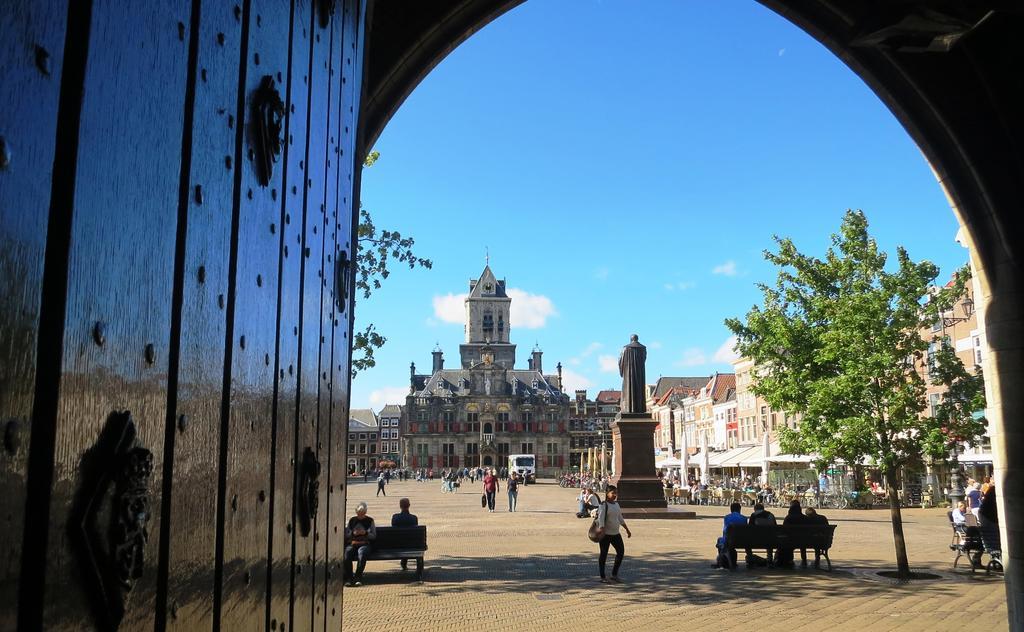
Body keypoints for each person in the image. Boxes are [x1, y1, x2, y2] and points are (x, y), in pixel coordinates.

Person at [595, 485, 631, 583]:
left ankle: (614, 574)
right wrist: (602, 530)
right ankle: (602, 577)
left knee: (621, 552)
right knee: (603, 555)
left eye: (616, 493)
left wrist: (627, 529)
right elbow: (601, 519)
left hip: (615, 534)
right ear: (607, 493)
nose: (615, 495)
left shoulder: (616, 505)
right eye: (613, 493)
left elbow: (620, 518)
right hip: (605, 535)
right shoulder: (603, 505)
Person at [344, 502, 376, 586]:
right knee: (347, 554)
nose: (360, 516)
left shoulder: (370, 521)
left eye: (362, 514)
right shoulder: (352, 520)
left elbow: (373, 536)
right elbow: (347, 535)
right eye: (359, 514)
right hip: (353, 543)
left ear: (365, 512)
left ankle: (358, 577)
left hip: (365, 543)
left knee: (361, 554)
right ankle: (349, 577)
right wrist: (353, 533)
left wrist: (365, 533)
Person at [714, 502, 747, 569]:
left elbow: (725, 531)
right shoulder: (744, 518)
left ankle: (722, 561)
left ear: (731, 509)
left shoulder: (727, 517)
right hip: (742, 541)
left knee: (720, 540)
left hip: (730, 540)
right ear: (739, 509)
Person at [745, 502, 777, 567]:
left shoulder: (754, 515)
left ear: (755, 509)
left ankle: (750, 557)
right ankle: (769, 559)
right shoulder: (771, 515)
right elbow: (775, 527)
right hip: (770, 540)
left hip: (756, 540)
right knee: (769, 537)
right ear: (763, 508)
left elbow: (750, 529)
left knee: (746, 541)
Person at [775, 500, 806, 568]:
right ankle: (804, 560)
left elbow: (784, 529)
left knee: (785, 541)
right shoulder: (805, 518)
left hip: (790, 540)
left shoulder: (788, 518)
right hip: (804, 540)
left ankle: (788, 560)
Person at [391, 498, 418, 570]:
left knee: (401, 539)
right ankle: (404, 561)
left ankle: (404, 561)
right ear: (409, 505)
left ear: (400, 506)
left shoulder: (395, 517)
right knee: (408, 539)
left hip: (397, 544)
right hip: (412, 545)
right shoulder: (414, 518)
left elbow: (393, 528)